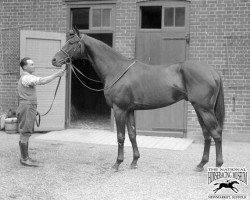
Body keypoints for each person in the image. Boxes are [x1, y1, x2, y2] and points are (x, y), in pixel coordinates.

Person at [17, 57, 65, 166]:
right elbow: (42, 81)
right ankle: (24, 159)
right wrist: (56, 75)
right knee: (26, 132)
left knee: (25, 131)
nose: (34, 66)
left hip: (28, 107)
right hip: (27, 107)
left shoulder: (25, 77)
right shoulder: (27, 78)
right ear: (25, 67)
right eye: (32, 64)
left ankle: (25, 157)